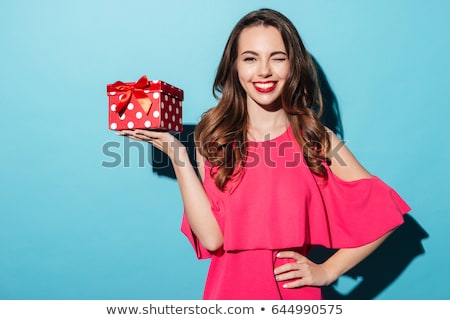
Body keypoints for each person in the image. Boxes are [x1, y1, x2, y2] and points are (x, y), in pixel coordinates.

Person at [118, 8, 410, 300]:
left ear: (293, 65)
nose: (264, 71)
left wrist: (328, 270)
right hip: (229, 295)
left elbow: (386, 214)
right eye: (250, 58)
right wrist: (176, 153)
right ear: (234, 67)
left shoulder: (319, 140)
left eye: (278, 57)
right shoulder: (213, 139)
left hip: (294, 297)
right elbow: (211, 238)